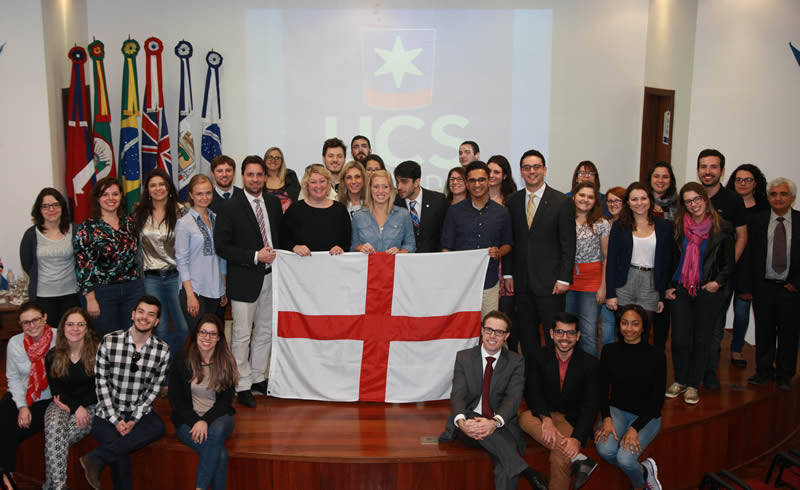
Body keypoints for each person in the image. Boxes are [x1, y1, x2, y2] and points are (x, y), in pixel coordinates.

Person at [439, 311, 547, 490]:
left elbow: (513, 398)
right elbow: (458, 394)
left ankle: (526, 470)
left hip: (500, 423)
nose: (492, 336)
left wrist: (494, 423)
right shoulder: (464, 357)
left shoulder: (516, 361)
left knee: (505, 463)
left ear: (507, 336)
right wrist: (461, 421)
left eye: (499, 332)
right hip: (468, 422)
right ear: (481, 331)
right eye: (489, 330)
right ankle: (529, 472)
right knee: (502, 445)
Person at [80, 296, 170, 490]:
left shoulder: (162, 350)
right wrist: (115, 420)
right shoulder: (110, 341)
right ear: (133, 314)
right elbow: (101, 383)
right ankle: (98, 458)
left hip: (137, 411)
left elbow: (153, 390)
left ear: (156, 322)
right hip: (107, 412)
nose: (144, 317)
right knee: (119, 450)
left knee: (158, 427)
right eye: (141, 311)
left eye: (151, 314)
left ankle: (95, 457)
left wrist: (133, 420)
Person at [214, 155, 282, 408]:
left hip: (271, 279)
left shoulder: (274, 204)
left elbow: (279, 238)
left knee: (265, 332)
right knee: (242, 336)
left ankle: (256, 378)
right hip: (244, 279)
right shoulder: (229, 207)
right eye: (250, 174)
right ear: (243, 176)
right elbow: (222, 246)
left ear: (265, 177)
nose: (255, 179)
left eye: (259, 175)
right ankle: (241, 384)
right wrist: (254, 256)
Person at [664, 183, 735, 405]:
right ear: (683, 205)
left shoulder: (722, 227)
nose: (693, 204)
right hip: (682, 289)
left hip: (707, 290)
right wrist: (668, 285)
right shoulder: (677, 227)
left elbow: (729, 263)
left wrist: (717, 283)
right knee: (679, 339)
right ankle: (680, 380)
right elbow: (669, 260)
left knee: (702, 339)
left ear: (705, 199)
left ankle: (693, 384)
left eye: (697, 199)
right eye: (688, 201)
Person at [503, 149, 575, 357]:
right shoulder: (513, 201)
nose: (531, 171)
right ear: (521, 172)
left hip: (551, 284)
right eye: (527, 168)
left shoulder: (561, 202)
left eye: (536, 167)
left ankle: (552, 381)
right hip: (522, 283)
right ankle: (532, 382)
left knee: (553, 334)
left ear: (544, 170)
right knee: (527, 336)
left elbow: (568, 245)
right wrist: (508, 274)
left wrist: (564, 278)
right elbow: (510, 241)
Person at [519, 312, 599, 490]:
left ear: (578, 336)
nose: (565, 338)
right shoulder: (537, 357)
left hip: (570, 419)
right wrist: (545, 418)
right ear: (551, 334)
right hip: (544, 416)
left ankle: (577, 457)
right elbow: (532, 392)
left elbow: (590, 406)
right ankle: (580, 460)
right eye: (560, 332)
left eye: (570, 333)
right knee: (524, 418)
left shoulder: (590, 364)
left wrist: (577, 439)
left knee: (560, 456)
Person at [595, 304, 665, 490]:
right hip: (617, 410)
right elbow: (602, 388)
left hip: (647, 416)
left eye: (635, 324)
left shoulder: (657, 355)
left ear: (643, 327)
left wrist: (635, 428)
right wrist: (607, 418)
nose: (629, 329)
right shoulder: (609, 351)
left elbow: (657, 400)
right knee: (604, 450)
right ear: (619, 325)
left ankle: (639, 486)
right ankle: (644, 470)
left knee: (625, 459)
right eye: (625, 323)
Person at [741, 178, 800, 391]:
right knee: (764, 331)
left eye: (783, 194)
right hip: (763, 286)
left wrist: (796, 283)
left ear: (792, 198)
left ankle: (785, 375)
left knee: (789, 333)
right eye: (773, 194)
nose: (778, 198)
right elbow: (748, 256)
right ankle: (763, 372)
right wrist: (746, 287)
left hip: (790, 288)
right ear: (768, 197)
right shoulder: (757, 220)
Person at [697, 149, 748, 390]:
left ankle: (709, 371)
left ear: (722, 171)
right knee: (692, 326)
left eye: (713, 167)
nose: (708, 171)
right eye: (703, 167)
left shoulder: (733, 200)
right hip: (692, 276)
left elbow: (742, 236)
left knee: (715, 327)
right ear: (698, 170)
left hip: (719, 279)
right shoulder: (691, 197)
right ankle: (690, 372)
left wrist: (725, 271)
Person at [168, 314, 237, 490]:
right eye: (203, 332)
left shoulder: (226, 361)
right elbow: (175, 399)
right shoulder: (182, 358)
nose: (207, 338)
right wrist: (195, 421)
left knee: (216, 431)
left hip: (218, 416)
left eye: (213, 334)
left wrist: (205, 421)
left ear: (219, 338)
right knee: (220, 455)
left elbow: (225, 402)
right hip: (188, 420)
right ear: (196, 334)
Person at [74, 177, 144, 337]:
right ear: (98, 198)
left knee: (134, 336)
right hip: (102, 292)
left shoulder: (129, 223)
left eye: (115, 194)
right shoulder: (87, 228)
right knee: (108, 339)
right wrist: (90, 299)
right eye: (105, 194)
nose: (111, 199)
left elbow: (137, 254)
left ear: (121, 197)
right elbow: (82, 266)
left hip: (132, 288)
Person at [442, 161, 512, 318]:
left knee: (489, 325)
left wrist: (499, 252)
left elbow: (508, 243)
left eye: (481, 179)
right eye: (472, 180)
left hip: (489, 281)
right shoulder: (454, 212)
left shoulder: (501, 212)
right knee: (461, 328)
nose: (477, 184)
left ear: (488, 181)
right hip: (460, 283)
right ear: (466, 183)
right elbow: (446, 247)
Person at [133, 168, 189, 360]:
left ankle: (177, 368)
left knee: (182, 326)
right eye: (153, 185)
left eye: (162, 184)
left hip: (176, 276)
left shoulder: (182, 211)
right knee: (161, 327)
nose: (158, 188)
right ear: (147, 189)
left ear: (168, 187)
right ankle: (164, 374)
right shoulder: (138, 212)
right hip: (151, 278)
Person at [43, 307, 98, 490]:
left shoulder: (98, 352)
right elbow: (56, 389)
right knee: (53, 427)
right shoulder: (52, 355)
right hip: (62, 402)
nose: (75, 329)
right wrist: (75, 407)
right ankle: (59, 486)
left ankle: (51, 486)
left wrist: (81, 407)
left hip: (92, 406)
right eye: (70, 324)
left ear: (87, 328)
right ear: (63, 328)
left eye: (80, 324)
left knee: (55, 439)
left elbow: (101, 387)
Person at [605, 182, 671, 328]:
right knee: (624, 332)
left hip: (651, 284)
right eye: (634, 199)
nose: (639, 203)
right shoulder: (619, 226)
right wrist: (610, 293)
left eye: (643, 198)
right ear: (628, 203)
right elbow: (611, 261)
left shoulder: (664, 227)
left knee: (643, 331)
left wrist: (661, 295)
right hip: (624, 282)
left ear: (650, 200)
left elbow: (666, 262)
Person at [0, 302, 56, 473]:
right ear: (20, 324)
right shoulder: (15, 343)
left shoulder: (60, 337)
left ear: (44, 317)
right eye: (26, 323)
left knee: (10, 432)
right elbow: (13, 378)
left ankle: (7, 477)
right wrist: (22, 406)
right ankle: (6, 477)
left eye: (36, 320)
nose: (32, 326)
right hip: (22, 394)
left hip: (49, 398)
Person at [725, 163, 769, 367]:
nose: (742, 184)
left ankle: (736, 349)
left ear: (756, 183)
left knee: (742, 313)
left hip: (749, 269)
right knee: (717, 311)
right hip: (724, 266)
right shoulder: (727, 205)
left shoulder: (764, 209)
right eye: (738, 180)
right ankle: (713, 346)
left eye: (747, 180)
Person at [20, 188, 80, 327]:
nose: (51, 209)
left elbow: (84, 261)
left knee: (71, 335)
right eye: (45, 206)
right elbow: (27, 264)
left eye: (55, 205)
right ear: (39, 209)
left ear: (62, 207)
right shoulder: (31, 235)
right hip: (43, 296)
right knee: (48, 337)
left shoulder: (76, 230)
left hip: (72, 294)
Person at [176, 174, 227, 332]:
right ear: (191, 195)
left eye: (208, 192)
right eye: (199, 193)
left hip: (215, 289)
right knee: (198, 337)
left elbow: (222, 256)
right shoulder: (184, 223)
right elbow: (181, 261)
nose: (204, 197)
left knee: (213, 337)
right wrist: (190, 295)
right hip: (195, 290)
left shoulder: (217, 219)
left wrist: (223, 287)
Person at [565, 182, 610, 358]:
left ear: (595, 201)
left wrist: (603, 287)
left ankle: (591, 377)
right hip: (567, 281)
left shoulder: (601, 223)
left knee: (589, 333)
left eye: (590, 197)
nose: (585, 200)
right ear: (574, 196)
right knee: (568, 331)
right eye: (582, 195)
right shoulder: (565, 219)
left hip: (592, 284)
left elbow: (607, 257)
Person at [281, 164, 351, 256]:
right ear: (307, 185)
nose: (318, 186)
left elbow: (347, 241)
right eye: (313, 182)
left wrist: (341, 248)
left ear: (328, 183)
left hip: (333, 267)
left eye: (322, 181)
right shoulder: (295, 209)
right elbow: (282, 238)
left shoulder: (340, 210)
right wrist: (294, 247)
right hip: (301, 267)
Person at [646, 162, 679, 351]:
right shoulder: (641, 201)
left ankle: (657, 360)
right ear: (650, 180)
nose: (660, 180)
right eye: (656, 176)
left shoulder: (680, 205)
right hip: (641, 267)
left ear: (671, 180)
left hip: (667, 268)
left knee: (662, 322)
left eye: (665, 176)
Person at [487, 155, 519, 342]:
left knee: (506, 316)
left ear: (505, 176)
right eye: (489, 170)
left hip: (505, 265)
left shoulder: (512, 202)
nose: (491, 175)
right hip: (483, 266)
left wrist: (509, 273)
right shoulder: (475, 198)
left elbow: (513, 239)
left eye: (496, 172)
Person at [352, 170, 415, 255]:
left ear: (391, 189)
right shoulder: (358, 216)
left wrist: (400, 253)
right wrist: (361, 248)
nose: (380, 191)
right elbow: (353, 246)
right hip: (367, 267)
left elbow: (410, 245)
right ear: (370, 189)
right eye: (376, 186)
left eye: (385, 187)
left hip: (395, 266)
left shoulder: (403, 215)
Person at [393, 160, 449, 253]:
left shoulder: (438, 200)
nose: (399, 187)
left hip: (433, 260)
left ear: (416, 182)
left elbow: (445, 235)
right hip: (404, 261)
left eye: (404, 182)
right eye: (397, 182)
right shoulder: (393, 203)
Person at [264, 146, 301, 213]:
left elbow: (298, 199)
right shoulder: (259, 179)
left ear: (281, 161)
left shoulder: (290, 176)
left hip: (289, 219)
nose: (273, 160)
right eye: (270, 157)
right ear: (265, 160)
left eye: (277, 158)